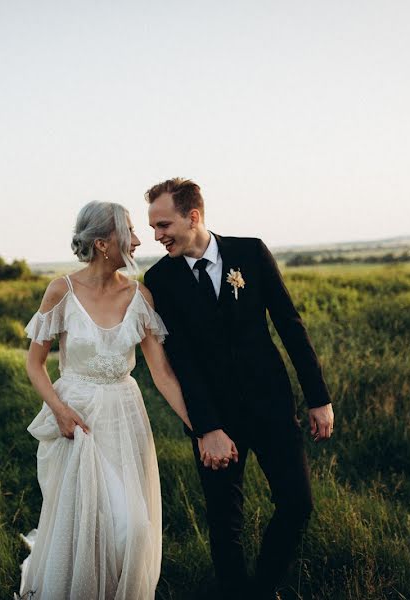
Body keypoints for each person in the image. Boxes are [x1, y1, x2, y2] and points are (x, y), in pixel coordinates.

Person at [143, 178, 335, 599]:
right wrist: (206, 428)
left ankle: (261, 589)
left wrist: (318, 397)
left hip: (271, 406)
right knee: (224, 519)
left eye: (163, 225)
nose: (156, 236)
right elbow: (182, 362)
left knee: (297, 503)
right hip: (215, 417)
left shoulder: (250, 252)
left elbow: (290, 324)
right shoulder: (159, 279)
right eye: (154, 227)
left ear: (192, 217)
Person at [17, 201, 194, 600]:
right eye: (128, 231)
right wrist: (60, 412)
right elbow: (35, 364)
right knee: (85, 521)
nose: (136, 239)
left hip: (125, 416)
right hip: (76, 417)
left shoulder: (139, 296)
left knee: (132, 525)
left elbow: (162, 373)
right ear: (102, 243)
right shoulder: (62, 290)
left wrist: (200, 427)